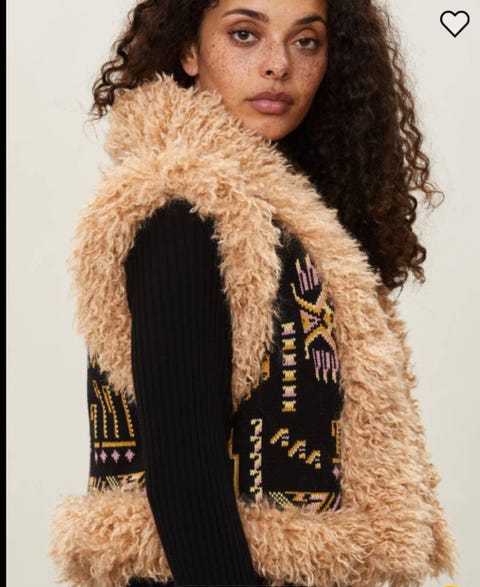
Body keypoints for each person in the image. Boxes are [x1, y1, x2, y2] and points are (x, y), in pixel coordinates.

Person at [50, 0, 456, 586]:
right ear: (189, 50)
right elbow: (185, 477)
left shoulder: (286, 222)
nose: (278, 65)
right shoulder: (183, 212)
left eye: (306, 41)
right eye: (245, 34)